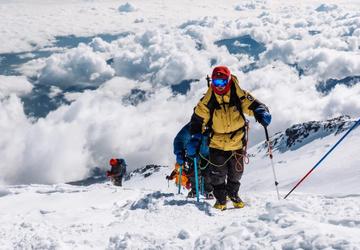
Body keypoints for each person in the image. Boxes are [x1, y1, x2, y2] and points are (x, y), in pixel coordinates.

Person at [187, 66, 271, 210]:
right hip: (217, 143)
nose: (219, 86)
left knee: (236, 174)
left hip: (237, 141)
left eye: (223, 82)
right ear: (212, 82)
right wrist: (195, 138)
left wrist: (260, 112)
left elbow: (253, 104)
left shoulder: (238, 94)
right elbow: (197, 119)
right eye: (216, 83)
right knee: (217, 175)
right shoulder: (207, 100)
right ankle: (220, 199)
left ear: (229, 80)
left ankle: (233, 194)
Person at [173, 122, 214, 199]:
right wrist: (179, 153)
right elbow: (179, 139)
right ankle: (197, 190)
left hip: (205, 153)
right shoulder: (192, 126)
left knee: (207, 172)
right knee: (194, 172)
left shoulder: (214, 124)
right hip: (194, 153)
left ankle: (208, 190)